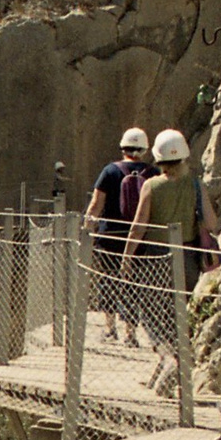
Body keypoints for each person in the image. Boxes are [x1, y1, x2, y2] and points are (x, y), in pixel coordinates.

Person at [122, 130, 220, 349]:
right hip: (188, 257)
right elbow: (212, 222)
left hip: (156, 258)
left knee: (153, 313)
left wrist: (127, 258)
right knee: (180, 311)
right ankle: (178, 356)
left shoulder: (151, 186)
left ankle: (167, 357)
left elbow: (138, 227)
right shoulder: (195, 184)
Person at [87, 128, 154, 343]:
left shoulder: (109, 171)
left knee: (108, 281)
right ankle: (130, 333)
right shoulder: (152, 174)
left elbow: (96, 205)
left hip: (110, 236)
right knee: (133, 282)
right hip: (138, 237)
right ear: (144, 149)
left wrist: (87, 229)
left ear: (123, 147)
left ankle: (109, 328)